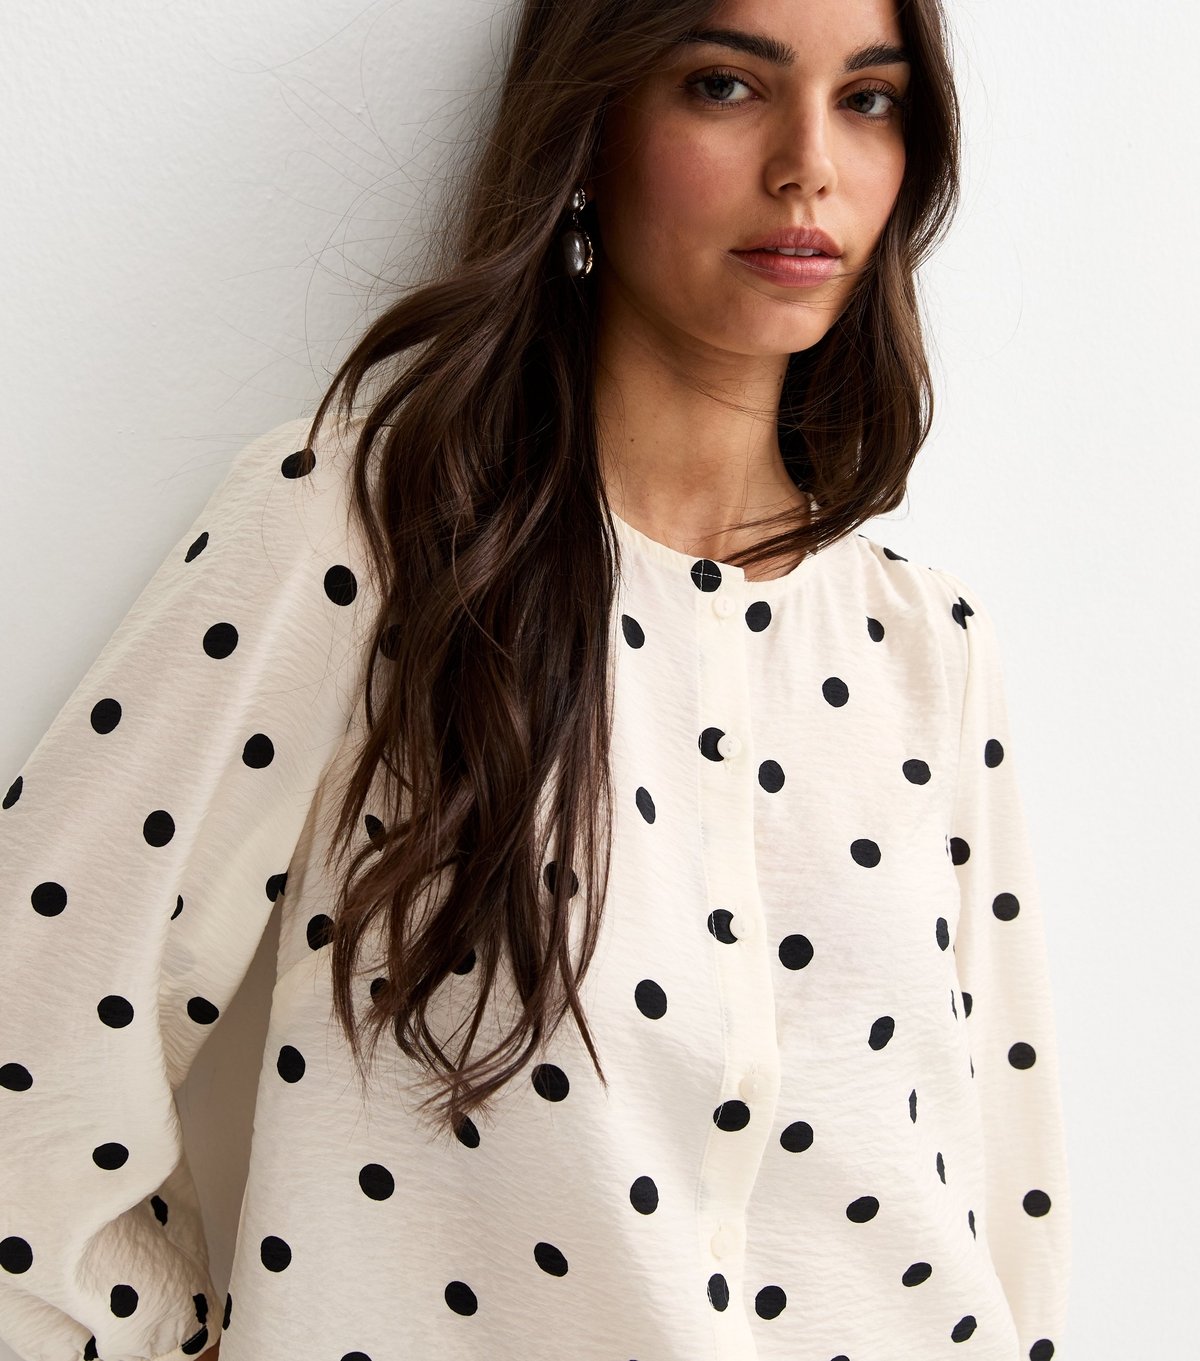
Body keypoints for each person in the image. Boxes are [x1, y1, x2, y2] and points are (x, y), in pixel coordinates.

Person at [0, 0, 1072, 1358]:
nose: (810, 163)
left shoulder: (930, 650)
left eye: (870, 99)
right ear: (590, 128)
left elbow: (1001, 1195)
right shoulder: (369, 538)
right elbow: (31, 1047)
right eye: (726, 85)